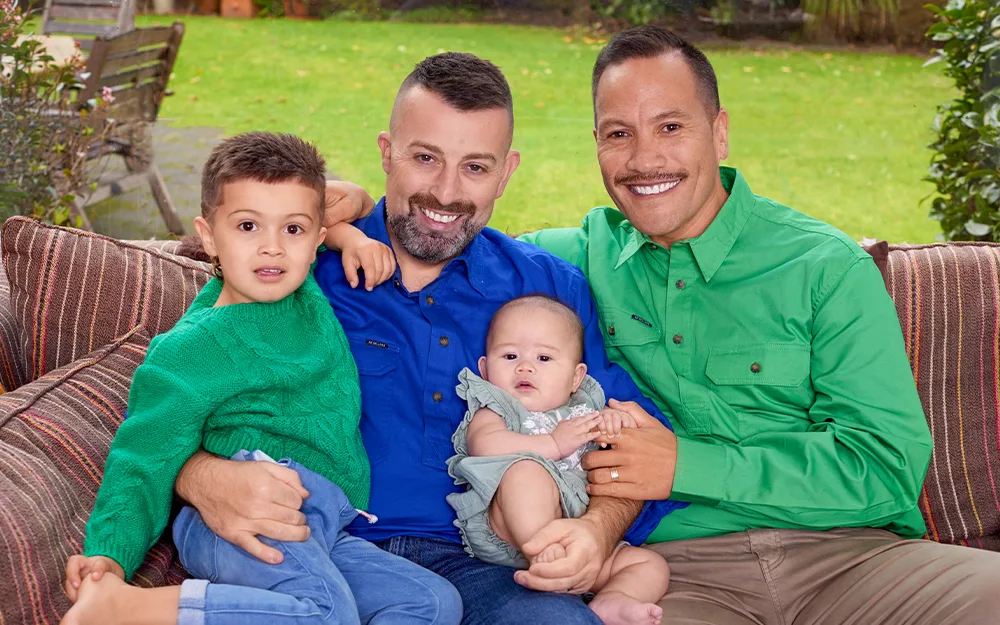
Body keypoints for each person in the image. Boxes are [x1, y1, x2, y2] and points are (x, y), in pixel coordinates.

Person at [170, 52, 686, 625]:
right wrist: (201, 475)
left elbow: (633, 441)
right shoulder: (296, 264)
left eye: (475, 167)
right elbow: (178, 384)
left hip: (488, 562)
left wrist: (595, 530)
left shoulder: (547, 289)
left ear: (507, 171)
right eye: (425, 158)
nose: (445, 192)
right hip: (324, 546)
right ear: (386, 151)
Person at [514, 25, 1000, 624]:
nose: (644, 159)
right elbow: (438, 236)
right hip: (672, 576)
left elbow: (888, 469)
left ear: (719, 133)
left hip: (855, 560)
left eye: (671, 126)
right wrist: (358, 212)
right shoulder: (577, 258)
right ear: (596, 145)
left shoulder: (824, 267)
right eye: (620, 134)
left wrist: (682, 465)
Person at [60, 132, 462, 625]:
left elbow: (332, 205)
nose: (271, 248)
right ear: (208, 236)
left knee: (433, 602)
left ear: (315, 240)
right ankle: (127, 610)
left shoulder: (303, 291)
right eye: (247, 226)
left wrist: (353, 234)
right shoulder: (190, 350)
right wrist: (110, 558)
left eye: (292, 231)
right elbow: (142, 457)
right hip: (240, 518)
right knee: (325, 613)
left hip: (324, 522)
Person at [449, 295, 669, 625]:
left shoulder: (585, 408)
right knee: (525, 470)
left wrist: (614, 425)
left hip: (584, 538)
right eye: (510, 355)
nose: (525, 366)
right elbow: (485, 444)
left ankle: (613, 600)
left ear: (575, 377)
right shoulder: (497, 408)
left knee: (649, 565)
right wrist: (552, 443)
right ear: (484, 368)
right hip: (515, 532)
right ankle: (545, 550)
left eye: (544, 357)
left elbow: (621, 448)